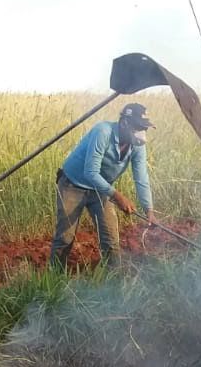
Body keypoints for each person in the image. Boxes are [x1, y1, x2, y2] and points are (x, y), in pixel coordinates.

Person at [50, 102, 155, 270]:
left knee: (111, 240)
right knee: (65, 237)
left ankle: (113, 282)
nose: (141, 132)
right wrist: (118, 197)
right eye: (138, 127)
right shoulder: (103, 132)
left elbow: (141, 177)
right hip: (73, 184)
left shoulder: (137, 144)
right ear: (124, 123)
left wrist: (148, 210)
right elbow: (91, 172)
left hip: (101, 189)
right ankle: (53, 279)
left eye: (144, 128)